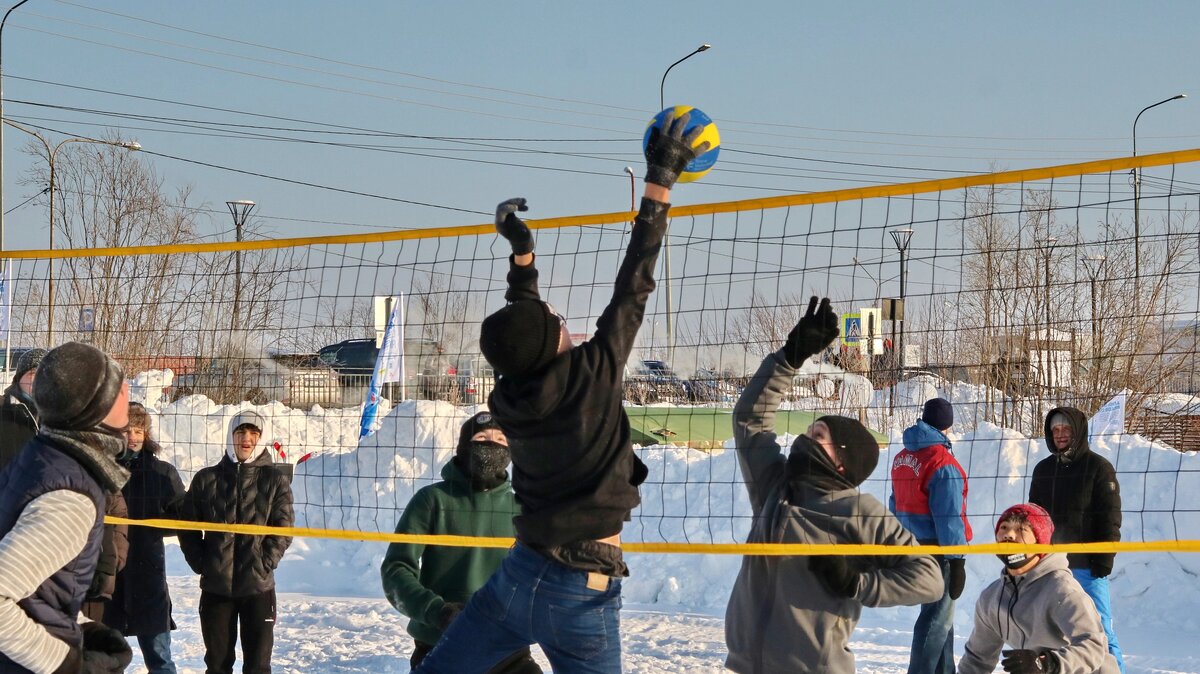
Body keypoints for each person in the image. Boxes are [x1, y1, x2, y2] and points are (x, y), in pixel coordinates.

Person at [413, 109, 708, 674]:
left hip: (518, 579)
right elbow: (636, 280)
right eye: (553, 315)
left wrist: (522, 254)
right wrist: (660, 181)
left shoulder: (510, 396)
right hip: (581, 589)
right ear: (554, 340)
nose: (556, 310)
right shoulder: (593, 372)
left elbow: (523, 330)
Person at [724, 298, 944, 674]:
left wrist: (857, 583)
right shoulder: (775, 488)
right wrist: (789, 358)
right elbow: (750, 420)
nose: (805, 437)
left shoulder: (860, 511)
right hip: (747, 666)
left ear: (841, 460)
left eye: (818, 434)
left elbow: (929, 579)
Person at [0, 341, 134, 673]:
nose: (127, 389)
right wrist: (68, 663)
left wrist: (81, 625)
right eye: (116, 387)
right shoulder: (69, 498)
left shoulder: (46, 456)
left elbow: (40, 585)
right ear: (93, 406)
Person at [381, 411, 540, 674]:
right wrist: (438, 613)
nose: (492, 445)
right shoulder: (431, 500)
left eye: (501, 439)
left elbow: (539, 578)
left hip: (507, 647)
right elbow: (396, 570)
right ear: (464, 446)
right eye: (482, 437)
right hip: (441, 643)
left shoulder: (521, 507)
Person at [177, 410, 294, 674]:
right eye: (241, 432)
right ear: (231, 436)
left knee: (257, 666)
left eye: (254, 433)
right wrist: (203, 563)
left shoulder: (274, 480)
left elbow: (283, 528)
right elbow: (188, 527)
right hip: (217, 588)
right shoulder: (207, 479)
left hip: (258, 588)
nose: (247, 439)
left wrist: (265, 562)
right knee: (217, 665)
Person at [958, 503, 1120, 674]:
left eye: (1021, 529)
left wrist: (1048, 663)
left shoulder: (1062, 590)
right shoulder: (991, 599)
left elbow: (1094, 646)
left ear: (1040, 540)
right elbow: (977, 659)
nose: (1009, 535)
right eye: (1004, 527)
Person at [1029, 407, 1125, 673]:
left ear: (1078, 431)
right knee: (1055, 634)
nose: (1060, 434)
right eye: (1055, 430)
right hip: (1051, 568)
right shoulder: (1043, 469)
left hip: (1087, 568)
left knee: (1100, 631)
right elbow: (1033, 519)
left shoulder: (1099, 468)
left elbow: (1110, 518)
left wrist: (1104, 559)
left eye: (1066, 429)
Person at [889, 397, 972, 674]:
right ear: (947, 426)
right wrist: (957, 559)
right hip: (938, 550)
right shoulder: (941, 461)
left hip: (911, 545)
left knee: (941, 619)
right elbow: (949, 518)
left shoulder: (903, 457)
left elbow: (894, 503)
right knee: (935, 620)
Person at [106, 402, 186, 674]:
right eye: (127, 429)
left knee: (160, 659)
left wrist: (155, 528)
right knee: (106, 660)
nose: (133, 436)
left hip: (148, 574)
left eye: (139, 430)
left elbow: (183, 518)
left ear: (147, 433)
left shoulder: (162, 473)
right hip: (110, 575)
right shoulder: (104, 470)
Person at [0, 348, 47, 470]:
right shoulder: (3, 409)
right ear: (19, 377)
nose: (39, 379)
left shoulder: (59, 415)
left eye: (45, 374)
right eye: (33, 373)